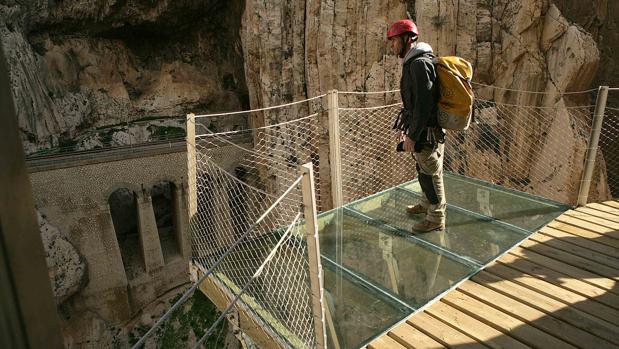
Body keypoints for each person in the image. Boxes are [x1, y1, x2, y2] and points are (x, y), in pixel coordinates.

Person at [388, 19, 446, 232]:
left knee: (431, 172)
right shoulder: (414, 62)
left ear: (407, 39)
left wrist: (412, 135)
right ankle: (426, 204)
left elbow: (424, 104)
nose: (393, 46)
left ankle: (436, 217)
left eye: (394, 41)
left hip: (426, 130)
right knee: (422, 166)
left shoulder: (420, 64)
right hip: (424, 129)